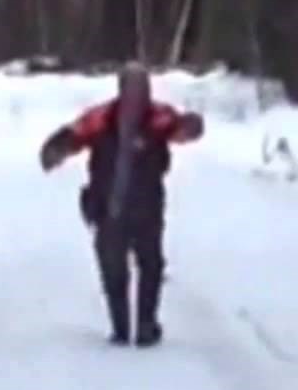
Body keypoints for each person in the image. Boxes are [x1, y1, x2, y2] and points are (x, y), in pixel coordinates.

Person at [38, 63, 205, 346]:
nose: (136, 95)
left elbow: (181, 130)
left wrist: (191, 125)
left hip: (143, 204)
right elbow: (75, 134)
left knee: (148, 264)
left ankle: (143, 325)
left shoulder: (157, 117)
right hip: (109, 204)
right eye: (131, 88)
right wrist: (56, 149)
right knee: (116, 266)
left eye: (141, 88)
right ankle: (123, 326)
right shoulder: (103, 117)